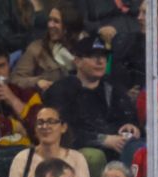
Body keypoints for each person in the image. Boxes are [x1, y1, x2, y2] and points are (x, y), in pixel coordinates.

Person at [42, 35, 140, 164]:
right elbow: (62, 131)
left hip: (117, 146)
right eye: (93, 56)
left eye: (104, 57)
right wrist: (103, 139)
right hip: (79, 150)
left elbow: (130, 117)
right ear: (77, 61)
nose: (100, 62)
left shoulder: (113, 87)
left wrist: (132, 127)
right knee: (93, 156)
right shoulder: (62, 89)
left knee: (140, 150)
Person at [7, 106, 91, 177]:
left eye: (51, 121)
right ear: (35, 129)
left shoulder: (77, 158)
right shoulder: (22, 158)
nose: (45, 126)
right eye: (40, 122)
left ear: (63, 127)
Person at [10, 2, 84, 92]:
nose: (50, 25)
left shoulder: (85, 49)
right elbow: (15, 79)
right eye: (50, 20)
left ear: (69, 25)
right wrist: (37, 82)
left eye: (56, 21)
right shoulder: (37, 49)